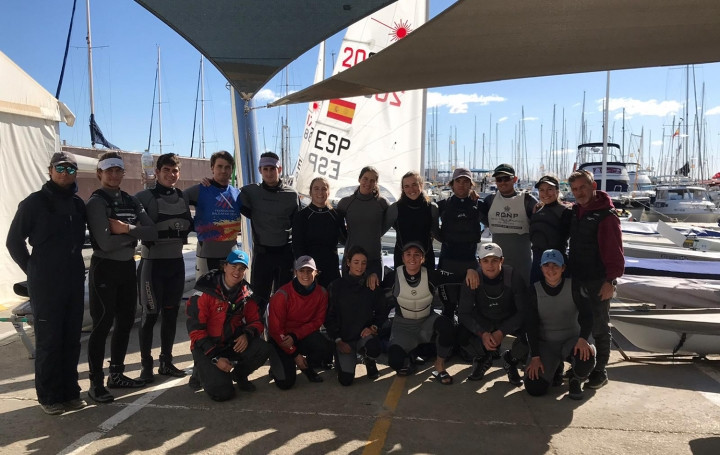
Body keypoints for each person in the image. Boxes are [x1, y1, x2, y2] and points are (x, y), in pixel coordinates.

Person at [6, 152, 87, 415]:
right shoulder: (34, 203)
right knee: (49, 340)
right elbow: (13, 241)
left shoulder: (78, 204)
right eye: (60, 168)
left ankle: (70, 392)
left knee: (71, 338)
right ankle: (49, 396)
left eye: (71, 169)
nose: (65, 173)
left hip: (73, 279)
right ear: (50, 170)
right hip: (46, 283)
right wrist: (32, 270)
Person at [86, 152, 157, 403]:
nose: (114, 175)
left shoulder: (130, 199)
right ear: (99, 173)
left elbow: (152, 232)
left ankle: (116, 374)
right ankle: (95, 382)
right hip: (104, 268)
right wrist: (134, 236)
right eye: (109, 171)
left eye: (118, 170)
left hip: (127, 267)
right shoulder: (96, 202)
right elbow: (105, 243)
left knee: (126, 322)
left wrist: (125, 229)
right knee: (102, 325)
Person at [384, 242, 479, 385]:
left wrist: (470, 271)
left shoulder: (431, 275)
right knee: (395, 362)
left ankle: (439, 365)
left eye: (417, 255)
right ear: (402, 258)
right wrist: (371, 277)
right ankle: (410, 356)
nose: (412, 258)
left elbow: (457, 277)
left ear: (423, 259)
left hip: (426, 321)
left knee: (446, 325)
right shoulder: (393, 277)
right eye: (408, 254)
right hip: (403, 326)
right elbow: (376, 293)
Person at [135, 153, 194, 383]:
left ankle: (166, 362)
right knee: (150, 316)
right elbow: (128, 224)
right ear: (157, 172)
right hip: (152, 267)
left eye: (175, 171)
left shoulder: (182, 197)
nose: (171, 175)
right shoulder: (143, 197)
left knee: (170, 315)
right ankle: (145, 366)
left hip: (175, 265)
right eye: (166, 170)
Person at [186, 249, 272, 401]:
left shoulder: (247, 294)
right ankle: (200, 371)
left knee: (263, 348)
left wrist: (247, 335)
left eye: (241, 268)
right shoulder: (205, 292)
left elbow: (256, 322)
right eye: (233, 266)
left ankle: (239, 375)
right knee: (223, 393)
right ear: (224, 266)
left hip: (230, 343)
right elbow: (196, 331)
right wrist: (215, 358)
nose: (237, 272)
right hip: (207, 347)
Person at [568, 169, 624, 389]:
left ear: (593, 187)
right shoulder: (576, 210)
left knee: (599, 325)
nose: (579, 192)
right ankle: (581, 364)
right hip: (577, 277)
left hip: (599, 280)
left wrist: (611, 281)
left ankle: (600, 371)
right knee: (579, 323)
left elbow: (615, 251)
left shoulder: (607, 216)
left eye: (583, 187)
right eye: (574, 189)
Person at [524, 250, 596, 400]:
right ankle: (554, 370)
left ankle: (576, 379)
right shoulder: (533, 291)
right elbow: (531, 325)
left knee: (585, 358)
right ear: (541, 268)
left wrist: (583, 339)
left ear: (563, 268)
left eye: (555, 265)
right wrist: (535, 356)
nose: (551, 270)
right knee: (534, 387)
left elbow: (588, 315)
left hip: (572, 342)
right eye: (546, 265)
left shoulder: (575, 286)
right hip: (546, 345)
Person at [457, 243, 529, 387]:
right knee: (461, 334)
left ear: (502, 260)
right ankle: (483, 357)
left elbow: (524, 311)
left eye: (494, 260)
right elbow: (464, 313)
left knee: (531, 331)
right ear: (479, 262)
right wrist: (483, 333)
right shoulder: (472, 278)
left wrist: (502, 332)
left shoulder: (513, 277)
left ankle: (511, 359)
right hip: (485, 319)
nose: (490, 265)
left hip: (508, 318)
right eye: (485, 261)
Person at [239, 151, 301, 310]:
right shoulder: (250, 192)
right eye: (265, 169)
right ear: (260, 170)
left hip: (284, 255)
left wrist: (299, 257)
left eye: (272, 169)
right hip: (262, 255)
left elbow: (299, 227)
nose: (269, 173)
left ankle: (279, 327)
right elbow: (226, 192)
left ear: (279, 169)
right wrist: (208, 182)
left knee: (283, 299)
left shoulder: (291, 194)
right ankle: (257, 326)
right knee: (258, 300)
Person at [267, 256, 334, 389]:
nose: (306, 275)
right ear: (295, 272)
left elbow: (318, 321)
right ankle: (280, 364)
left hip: (300, 335)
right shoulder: (282, 295)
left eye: (310, 271)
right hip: (281, 339)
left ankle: (307, 367)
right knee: (286, 384)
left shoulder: (322, 292)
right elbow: (275, 329)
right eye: (301, 271)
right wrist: (295, 354)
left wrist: (296, 335)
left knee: (324, 346)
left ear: (316, 272)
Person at [326, 246, 387, 386]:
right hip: (344, 341)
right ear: (348, 262)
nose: (360, 267)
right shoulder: (335, 286)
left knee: (374, 347)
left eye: (363, 263)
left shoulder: (371, 284)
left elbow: (382, 311)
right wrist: (338, 340)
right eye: (356, 262)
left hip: (363, 338)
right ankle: (340, 357)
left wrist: (373, 327)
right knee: (346, 380)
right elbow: (329, 317)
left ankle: (369, 359)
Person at [184, 150, 242, 276]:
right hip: (206, 255)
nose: (223, 170)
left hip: (231, 255)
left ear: (232, 170)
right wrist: (189, 223)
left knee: (229, 289)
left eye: (227, 167)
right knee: (206, 289)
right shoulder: (200, 189)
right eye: (219, 166)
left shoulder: (238, 194)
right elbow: (177, 200)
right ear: (212, 168)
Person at [479, 164, 538, 285]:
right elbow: (479, 217)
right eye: (499, 179)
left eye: (506, 178)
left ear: (514, 179)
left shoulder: (528, 200)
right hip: (497, 264)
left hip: (522, 264)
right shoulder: (489, 200)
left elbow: (541, 223)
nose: (502, 182)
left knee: (523, 292)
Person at [435, 167, 482, 318]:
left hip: (469, 263)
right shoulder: (442, 205)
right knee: (448, 308)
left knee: (466, 309)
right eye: (458, 181)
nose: (461, 185)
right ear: (452, 184)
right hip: (447, 262)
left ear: (471, 185)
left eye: (466, 181)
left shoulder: (479, 205)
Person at [336, 166, 390, 278]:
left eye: (372, 180)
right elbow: (338, 229)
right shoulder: (345, 203)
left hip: (374, 259)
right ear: (359, 179)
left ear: (376, 183)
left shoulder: (382, 203)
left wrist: (375, 236)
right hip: (351, 260)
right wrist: (348, 241)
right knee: (349, 290)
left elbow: (386, 225)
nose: (368, 183)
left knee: (374, 290)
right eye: (365, 179)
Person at [292, 177, 346, 288]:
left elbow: (345, 240)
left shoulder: (336, 215)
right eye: (316, 189)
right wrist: (305, 270)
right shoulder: (302, 216)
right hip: (309, 269)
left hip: (331, 267)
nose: (320, 192)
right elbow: (297, 246)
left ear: (328, 192)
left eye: (324, 189)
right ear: (310, 192)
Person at [385, 171, 440, 269]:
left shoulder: (432, 208)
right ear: (403, 189)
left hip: (426, 259)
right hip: (402, 260)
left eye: (414, 185)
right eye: (406, 186)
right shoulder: (395, 209)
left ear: (421, 185)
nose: (411, 189)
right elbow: (379, 232)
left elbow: (437, 234)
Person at [529, 175, 572, 283]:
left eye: (549, 189)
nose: (545, 193)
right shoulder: (537, 210)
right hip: (538, 261)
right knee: (535, 291)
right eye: (541, 190)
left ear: (557, 191)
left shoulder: (566, 211)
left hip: (556, 261)